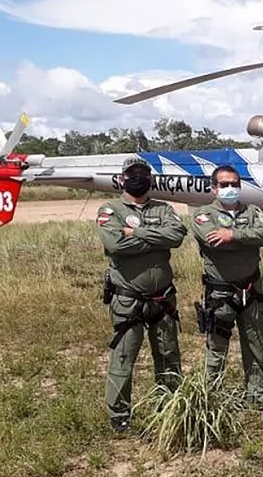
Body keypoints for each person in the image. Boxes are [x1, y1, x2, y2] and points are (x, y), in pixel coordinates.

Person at [96, 156, 187, 432]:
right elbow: (115, 244)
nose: (139, 178)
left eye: (144, 174)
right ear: (122, 179)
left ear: (151, 179)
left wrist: (135, 232)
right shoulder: (110, 209)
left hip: (162, 298)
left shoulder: (163, 208)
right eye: (132, 174)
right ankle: (119, 414)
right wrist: (154, 240)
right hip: (128, 298)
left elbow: (177, 237)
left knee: (169, 353)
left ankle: (170, 404)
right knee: (124, 356)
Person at [191, 165, 263, 409]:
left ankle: (258, 394)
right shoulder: (203, 214)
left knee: (257, 343)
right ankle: (211, 395)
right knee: (217, 347)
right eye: (225, 185)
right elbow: (213, 241)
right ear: (214, 188)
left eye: (234, 184)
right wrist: (246, 238)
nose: (230, 189)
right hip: (220, 292)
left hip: (251, 290)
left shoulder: (253, 211)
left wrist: (232, 235)